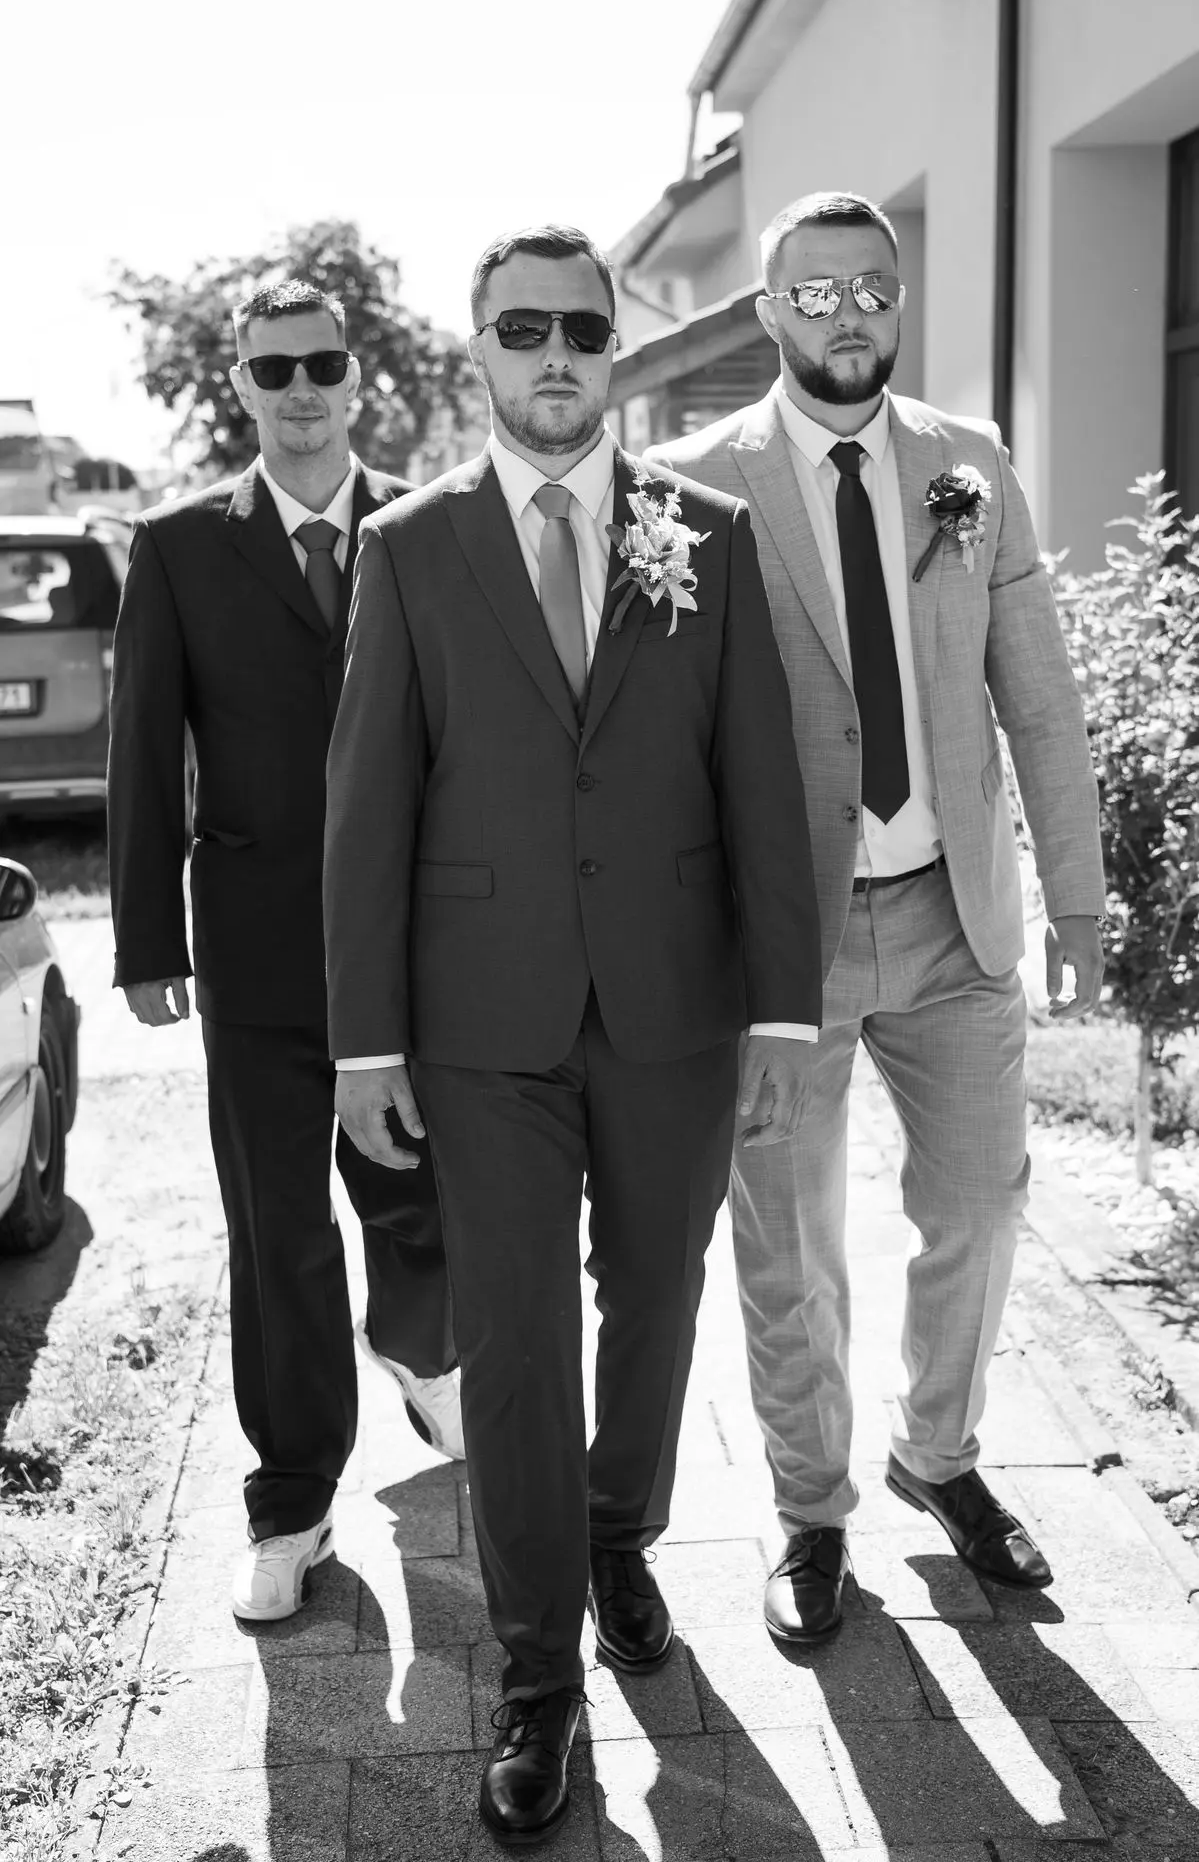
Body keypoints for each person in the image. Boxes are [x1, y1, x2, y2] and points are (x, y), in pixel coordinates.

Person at [324, 225, 822, 1846]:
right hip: (480, 1017)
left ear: (613, 349)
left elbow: (762, 781)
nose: (555, 356)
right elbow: (366, 806)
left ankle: (621, 1535)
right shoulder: (408, 546)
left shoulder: (709, 536)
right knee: (520, 1335)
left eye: (581, 331)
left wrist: (781, 1010)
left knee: (658, 1297)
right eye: (522, 329)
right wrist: (366, 1044)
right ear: (476, 349)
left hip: (674, 1005)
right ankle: (538, 1676)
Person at [653, 191, 1105, 1647]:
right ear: (767, 310)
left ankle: (939, 1454)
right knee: (787, 1242)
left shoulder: (969, 463)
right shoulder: (686, 487)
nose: (844, 313)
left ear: (897, 302)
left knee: (977, 1203)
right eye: (813, 291)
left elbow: (1038, 697)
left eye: (868, 288)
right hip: (776, 939)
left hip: (954, 913)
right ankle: (808, 1510)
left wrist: (1077, 894)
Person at [108, 280, 462, 1628]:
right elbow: (144, 749)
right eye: (274, 369)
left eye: (322, 364)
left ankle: (420, 1343)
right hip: (254, 951)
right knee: (280, 1236)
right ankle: (292, 1502)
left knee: (421, 1196)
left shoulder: (432, 525)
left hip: (414, 944)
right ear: (242, 387)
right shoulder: (178, 547)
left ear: (355, 378)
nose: (301, 388)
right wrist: (147, 937)